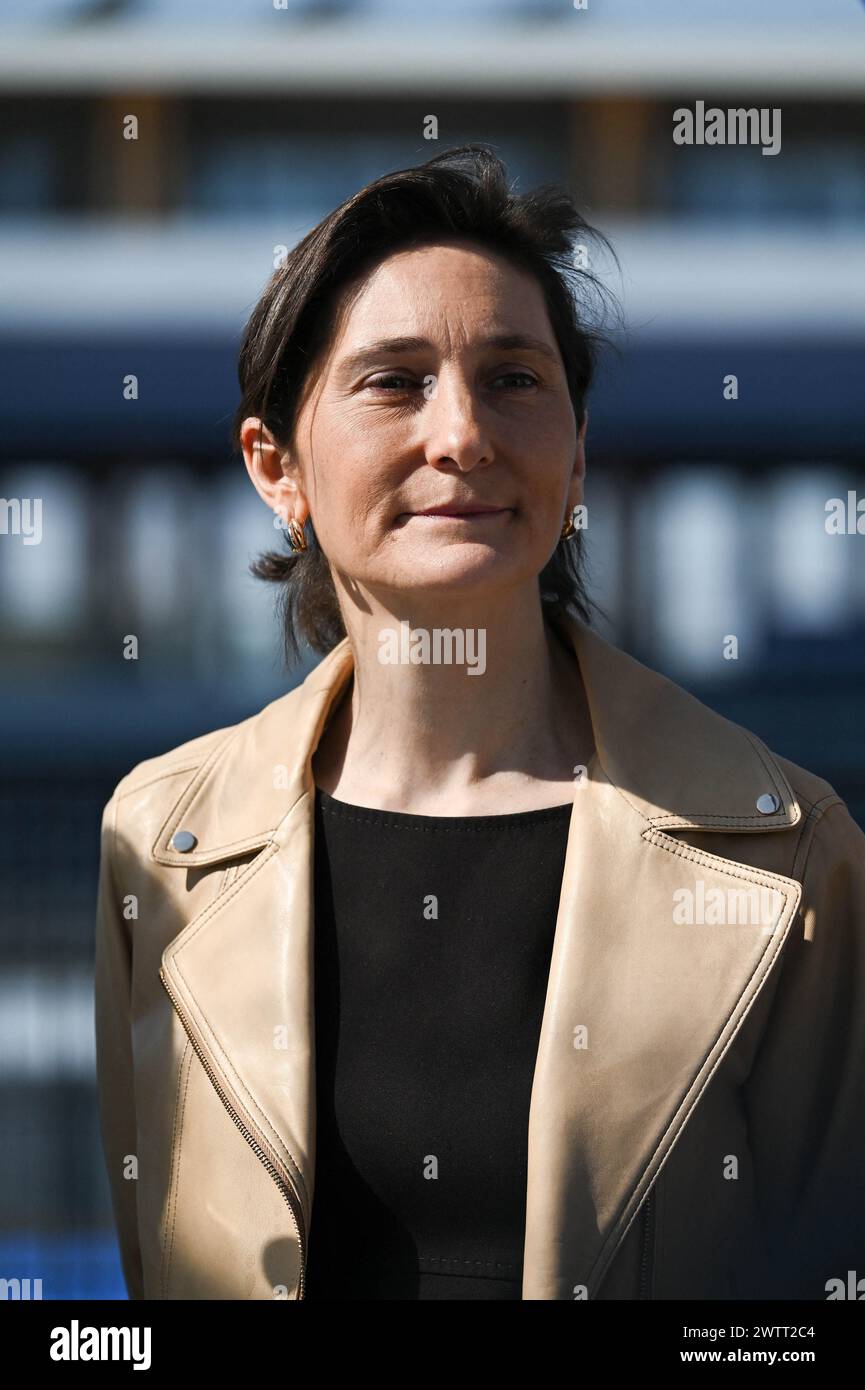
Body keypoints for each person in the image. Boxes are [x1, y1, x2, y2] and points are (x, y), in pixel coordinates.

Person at [94, 144, 865, 1301]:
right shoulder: (157, 847)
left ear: (577, 452)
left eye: (514, 378)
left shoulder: (789, 850)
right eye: (393, 380)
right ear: (277, 467)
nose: (460, 434)